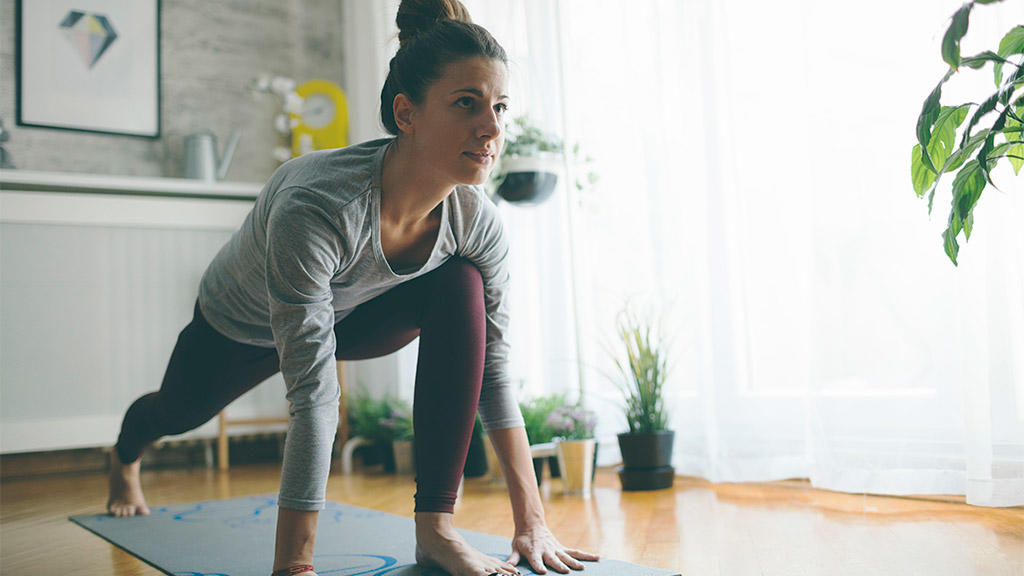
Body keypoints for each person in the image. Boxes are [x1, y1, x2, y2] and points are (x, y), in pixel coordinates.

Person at [105, 1, 601, 575]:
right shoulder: (316, 207)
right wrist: (295, 565)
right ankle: (122, 457)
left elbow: (491, 369)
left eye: (499, 106)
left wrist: (532, 522)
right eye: (466, 104)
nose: (491, 128)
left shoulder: (476, 221)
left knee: (459, 283)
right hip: (242, 322)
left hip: (357, 312)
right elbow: (314, 397)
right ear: (407, 114)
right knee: (175, 412)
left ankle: (436, 528)